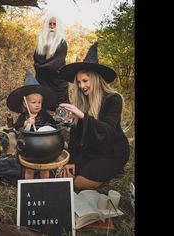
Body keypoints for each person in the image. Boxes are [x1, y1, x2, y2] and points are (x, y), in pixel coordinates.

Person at [59, 41, 130, 190]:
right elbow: (76, 137)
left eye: (85, 80)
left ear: (96, 79)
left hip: (112, 151)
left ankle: (114, 170)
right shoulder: (83, 102)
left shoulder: (113, 99)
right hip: (92, 150)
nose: (81, 86)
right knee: (65, 174)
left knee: (78, 183)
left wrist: (83, 116)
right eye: (78, 82)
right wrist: (72, 161)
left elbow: (107, 130)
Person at [7, 69, 57, 178]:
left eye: (39, 102)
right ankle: (28, 187)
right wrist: (26, 122)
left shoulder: (44, 114)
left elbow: (53, 124)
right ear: (25, 104)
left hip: (43, 145)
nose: (37, 105)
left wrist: (56, 121)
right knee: (29, 169)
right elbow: (16, 127)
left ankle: (45, 184)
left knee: (45, 168)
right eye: (33, 102)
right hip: (29, 146)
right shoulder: (24, 116)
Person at [33, 13, 70, 108]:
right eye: (50, 24)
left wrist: (40, 66)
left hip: (58, 85)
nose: (52, 27)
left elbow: (55, 64)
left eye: (54, 24)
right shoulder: (40, 44)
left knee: (61, 113)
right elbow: (36, 59)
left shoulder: (62, 43)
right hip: (43, 83)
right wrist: (40, 66)